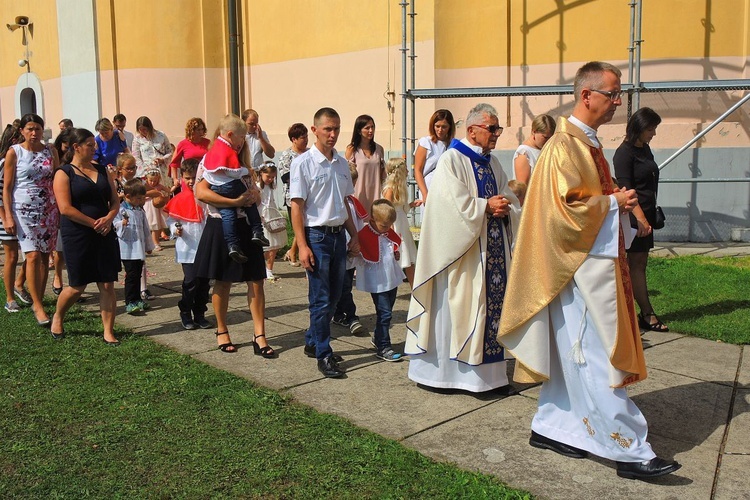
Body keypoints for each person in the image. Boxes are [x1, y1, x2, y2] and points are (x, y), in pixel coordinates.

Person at [498, 61, 681, 480]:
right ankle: (630, 449)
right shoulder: (564, 146)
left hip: (589, 262)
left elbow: (584, 198)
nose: (620, 101)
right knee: (596, 356)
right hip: (578, 268)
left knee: (571, 357)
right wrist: (614, 203)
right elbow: (561, 214)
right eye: (613, 94)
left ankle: (552, 426)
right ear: (587, 95)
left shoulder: (588, 143)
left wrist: (613, 197)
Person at [404, 103, 518, 393]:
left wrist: (507, 206)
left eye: (497, 129)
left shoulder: (492, 163)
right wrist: (484, 207)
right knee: (454, 310)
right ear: (471, 130)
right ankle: (442, 376)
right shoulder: (452, 160)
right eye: (492, 129)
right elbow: (445, 209)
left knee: (486, 310)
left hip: (490, 252)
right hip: (459, 257)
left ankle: (488, 379)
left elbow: (507, 197)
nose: (496, 135)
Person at [290, 107, 360, 378]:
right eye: (328, 129)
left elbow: (343, 203)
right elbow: (297, 206)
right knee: (320, 299)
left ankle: (313, 340)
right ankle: (324, 353)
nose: (333, 134)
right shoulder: (303, 163)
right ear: (314, 130)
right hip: (316, 237)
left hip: (337, 236)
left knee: (334, 296)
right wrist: (302, 245)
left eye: (337, 129)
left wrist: (354, 234)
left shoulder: (341, 164)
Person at [193, 153, 276, 358]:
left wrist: (253, 196)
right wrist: (234, 201)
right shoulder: (210, 161)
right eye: (238, 138)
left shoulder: (243, 165)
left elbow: (257, 194)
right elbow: (201, 193)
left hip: (247, 226)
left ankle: (259, 335)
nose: (240, 143)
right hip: (221, 224)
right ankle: (222, 330)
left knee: (256, 281)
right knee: (222, 280)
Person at [51, 128, 121, 344]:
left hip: (105, 232)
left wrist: (108, 218)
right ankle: (58, 316)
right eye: (90, 145)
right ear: (76, 147)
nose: (94, 148)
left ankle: (108, 331)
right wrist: (94, 224)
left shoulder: (102, 170)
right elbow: (65, 208)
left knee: (107, 283)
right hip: (78, 233)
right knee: (77, 286)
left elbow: (115, 200)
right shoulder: (64, 173)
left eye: (94, 144)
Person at [613, 107, 669, 333]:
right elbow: (626, 190)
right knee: (636, 266)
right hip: (635, 218)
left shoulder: (645, 149)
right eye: (650, 129)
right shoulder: (624, 154)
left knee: (639, 265)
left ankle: (639, 313)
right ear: (638, 128)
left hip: (645, 215)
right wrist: (641, 219)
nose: (653, 133)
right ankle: (646, 314)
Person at [2, 113, 60, 326]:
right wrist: (8, 216)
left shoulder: (50, 151)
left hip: (49, 210)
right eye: (30, 129)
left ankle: (40, 299)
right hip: (23, 210)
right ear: (22, 131)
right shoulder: (14, 153)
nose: (34, 133)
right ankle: (37, 304)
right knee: (33, 255)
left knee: (45, 257)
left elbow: (57, 179)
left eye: (37, 128)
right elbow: (6, 189)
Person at [202, 114, 268, 264]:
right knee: (247, 202)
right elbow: (200, 192)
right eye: (241, 137)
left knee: (228, 215)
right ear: (230, 135)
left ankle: (233, 246)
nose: (243, 141)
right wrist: (238, 199)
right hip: (228, 190)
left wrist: (253, 194)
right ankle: (257, 231)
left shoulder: (215, 151)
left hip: (219, 191)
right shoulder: (227, 150)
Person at [164, 158, 211, 331]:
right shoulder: (180, 198)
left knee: (204, 283)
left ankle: (200, 313)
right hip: (188, 248)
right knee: (191, 282)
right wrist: (174, 229)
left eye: (194, 178)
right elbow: (171, 219)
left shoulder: (207, 196)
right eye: (187, 178)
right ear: (182, 178)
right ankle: (185, 312)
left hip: (205, 247)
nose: (191, 182)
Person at [355, 199, 405, 362]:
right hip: (378, 280)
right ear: (372, 221)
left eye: (389, 225)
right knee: (385, 313)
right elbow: (360, 250)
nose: (387, 229)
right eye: (384, 226)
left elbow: (391, 244)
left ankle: (378, 338)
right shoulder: (364, 233)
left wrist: (395, 252)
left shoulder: (386, 231)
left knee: (388, 310)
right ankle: (384, 346)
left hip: (391, 277)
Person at [331, 163, 369, 336]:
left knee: (345, 284)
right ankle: (352, 316)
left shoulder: (353, 202)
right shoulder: (334, 200)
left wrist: (358, 244)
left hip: (351, 248)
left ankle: (339, 314)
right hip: (339, 246)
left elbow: (360, 224)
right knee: (342, 286)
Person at [113, 179, 154, 314]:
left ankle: (137, 299)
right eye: (138, 198)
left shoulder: (139, 210)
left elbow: (146, 229)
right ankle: (130, 301)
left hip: (139, 248)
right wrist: (121, 224)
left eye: (143, 198)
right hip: (128, 249)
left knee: (137, 274)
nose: (141, 201)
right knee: (131, 275)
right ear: (128, 196)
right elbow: (114, 224)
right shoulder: (121, 209)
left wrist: (149, 245)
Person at [0, 123, 28, 313]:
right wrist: (5, 218)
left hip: (25, 213)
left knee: (34, 254)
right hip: (7, 215)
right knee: (11, 256)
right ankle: (10, 297)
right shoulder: (4, 163)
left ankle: (19, 284)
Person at [382, 158, 421, 287]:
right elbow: (387, 210)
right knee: (397, 257)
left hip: (402, 224)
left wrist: (411, 205)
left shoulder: (400, 188)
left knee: (409, 259)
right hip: (395, 225)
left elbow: (401, 209)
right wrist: (390, 229)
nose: (408, 171)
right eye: (406, 169)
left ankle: (414, 289)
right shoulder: (389, 190)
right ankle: (389, 287)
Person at [277, 122, 309, 266]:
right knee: (299, 226)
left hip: (310, 196)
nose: (306, 140)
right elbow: (285, 177)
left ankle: (292, 252)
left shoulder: (310, 153)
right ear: (294, 139)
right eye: (302, 137)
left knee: (307, 225)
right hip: (293, 197)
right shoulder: (286, 155)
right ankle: (293, 252)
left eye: (307, 136)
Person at [345, 114, 385, 214]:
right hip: (358, 194)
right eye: (367, 128)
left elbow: (382, 174)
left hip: (375, 194)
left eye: (372, 127)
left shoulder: (379, 149)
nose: (371, 131)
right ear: (359, 130)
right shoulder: (352, 149)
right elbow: (349, 174)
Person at [413, 109, 455, 200]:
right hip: (429, 188)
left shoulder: (453, 144)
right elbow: (417, 170)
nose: (440, 130)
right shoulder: (426, 142)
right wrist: (425, 194)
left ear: (450, 127)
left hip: (447, 190)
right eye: (437, 126)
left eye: (444, 127)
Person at [257, 161, 286, 282]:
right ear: (261, 174)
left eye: (273, 177)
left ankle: (269, 269)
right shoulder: (257, 186)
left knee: (274, 245)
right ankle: (260, 268)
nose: (270, 179)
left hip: (272, 214)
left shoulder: (271, 186)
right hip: (262, 215)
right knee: (264, 246)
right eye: (268, 176)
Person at [511, 114, 556, 185]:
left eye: (550, 138)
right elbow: (522, 188)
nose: (548, 141)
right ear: (534, 132)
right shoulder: (524, 153)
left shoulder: (547, 149)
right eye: (545, 137)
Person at [168, 117, 210, 189]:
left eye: (202, 129)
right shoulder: (183, 144)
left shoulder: (208, 143)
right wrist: (175, 179)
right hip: (189, 179)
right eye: (198, 130)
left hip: (204, 177)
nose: (201, 132)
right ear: (192, 131)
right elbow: (174, 163)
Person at [142, 168, 170, 252]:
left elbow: (169, 191)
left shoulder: (159, 186)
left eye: (155, 181)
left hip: (158, 207)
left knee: (157, 226)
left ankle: (156, 242)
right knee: (153, 225)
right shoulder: (145, 186)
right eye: (151, 180)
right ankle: (153, 243)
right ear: (146, 179)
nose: (153, 183)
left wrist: (166, 194)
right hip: (149, 207)